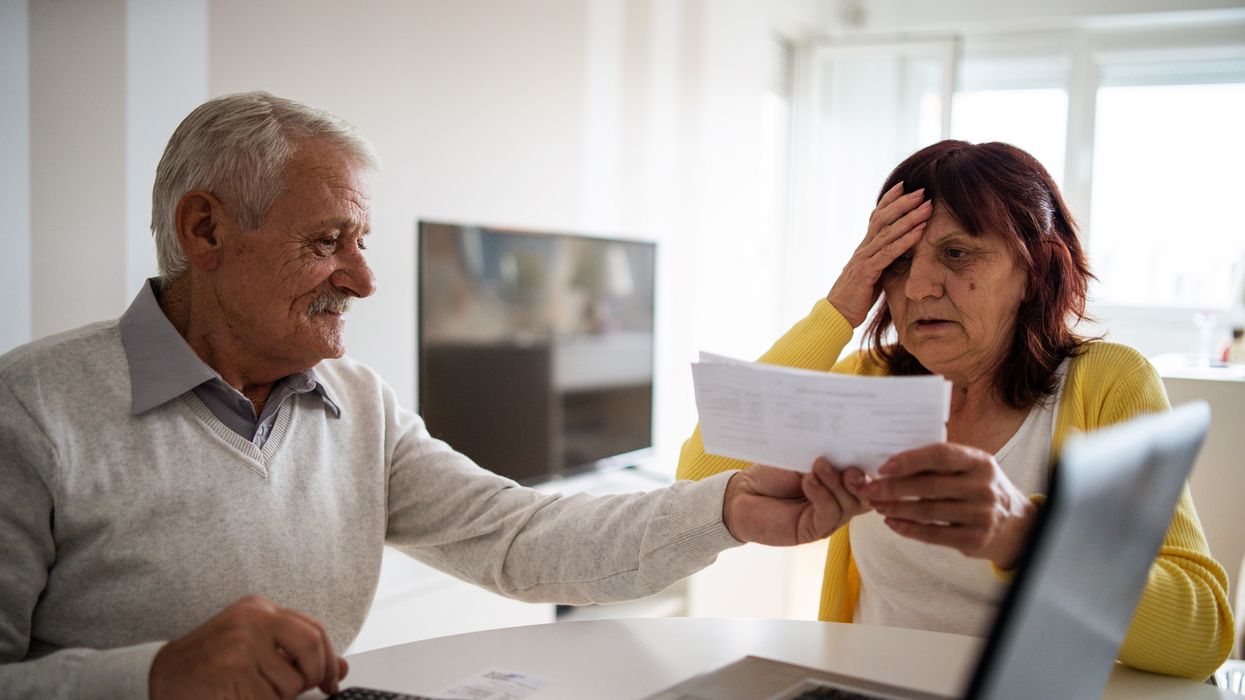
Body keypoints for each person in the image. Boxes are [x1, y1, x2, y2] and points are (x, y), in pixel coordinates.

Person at [0, 91, 864, 700]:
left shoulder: (358, 407)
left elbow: (520, 539)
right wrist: (154, 680)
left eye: (363, 240)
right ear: (206, 230)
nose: (366, 279)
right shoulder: (32, 411)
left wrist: (725, 508)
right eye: (328, 241)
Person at [677, 140, 1235, 680]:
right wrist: (838, 310)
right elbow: (697, 485)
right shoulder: (866, 382)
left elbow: (1203, 636)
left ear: (1035, 270)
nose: (918, 288)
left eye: (957, 253)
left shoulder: (1108, 382)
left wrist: (1024, 534)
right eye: (897, 261)